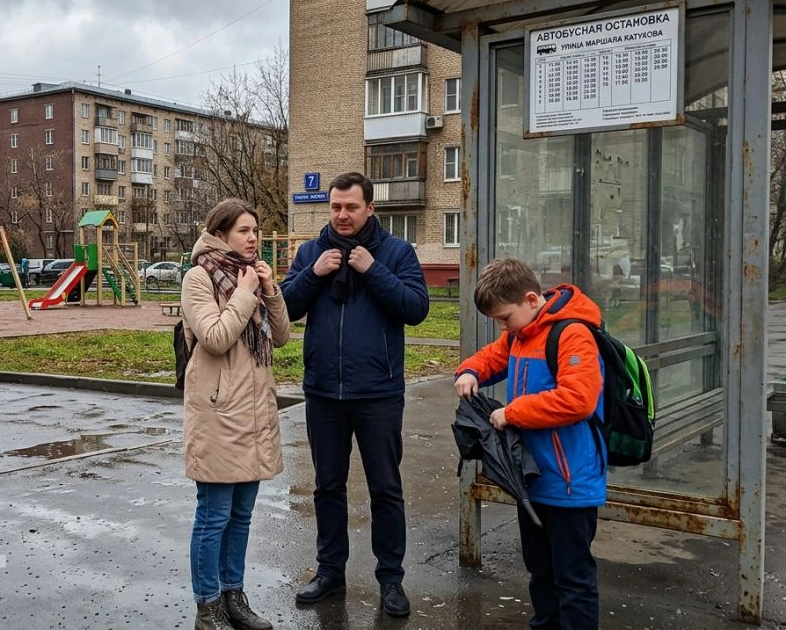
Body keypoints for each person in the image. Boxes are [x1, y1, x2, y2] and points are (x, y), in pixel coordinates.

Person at [280, 172, 430, 617]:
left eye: (351, 207)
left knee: (385, 488)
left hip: (378, 391)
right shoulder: (311, 252)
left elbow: (416, 308)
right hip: (324, 390)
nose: (342, 215)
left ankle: (391, 579)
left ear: (370, 208)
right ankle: (330, 572)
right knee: (327, 487)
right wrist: (314, 273)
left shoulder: (397, 252)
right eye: (335, 207)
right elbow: (284, 307)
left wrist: (372, 269)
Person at [454, 258, 606, 630]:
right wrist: (470, 371)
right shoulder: (521, 334)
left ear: (532, 300)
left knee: (572, 578)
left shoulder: (573, 334)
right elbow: (492, 357)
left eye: (505, 318)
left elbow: (578, 400)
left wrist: (513, 413)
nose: (503, 327)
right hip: (533, 478)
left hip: (569, 482)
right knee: (541, 572)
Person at [181, 198, 291, 630]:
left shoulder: (250, 276)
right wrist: (245, 294)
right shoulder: (199, 277)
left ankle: (234, 596)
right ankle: (207, 607)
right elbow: (214, 337)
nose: (253, 238)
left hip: (254, 412)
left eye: (255, 231)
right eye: (244, 230)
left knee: (241, 517)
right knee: (214, 517)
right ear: (220, 234)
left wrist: (269, 290)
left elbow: (281, 337)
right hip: (218, 414)